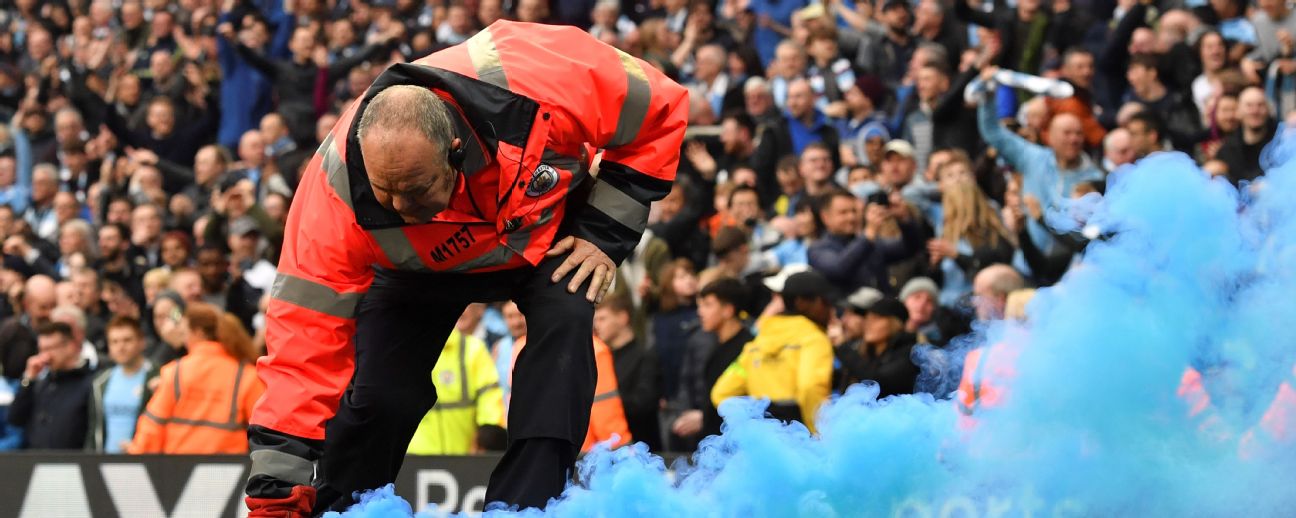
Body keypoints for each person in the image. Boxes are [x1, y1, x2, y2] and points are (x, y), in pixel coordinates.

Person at [244, 21, 687, 516]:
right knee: (382, 393)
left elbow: (662, 108)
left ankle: (523, 509)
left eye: (415, 190)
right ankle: (342, 509)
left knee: (565, 329)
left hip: (545, 237)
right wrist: (275, 488)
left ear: (455, 152)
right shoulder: (332, 195)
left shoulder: (541, 71)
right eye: (385, 193)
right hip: (416, 270)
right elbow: (302, 345)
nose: (400, 207)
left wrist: (602, 233)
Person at [128, 303, 264, 454]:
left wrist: (135, 457)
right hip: (229, 466)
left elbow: (152, 427)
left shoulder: (175, 372)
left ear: (198, 333)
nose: (184, 340)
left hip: (179, 465)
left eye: (185, 333)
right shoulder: (247, 375)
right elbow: (264, 432)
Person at [712, 270, 835, 433]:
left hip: (762, 439)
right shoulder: (814, 339)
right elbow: (810, 387)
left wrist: (750, 425)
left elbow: (721, 393)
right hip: (800, 438)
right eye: (825, 302)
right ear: (802, 303)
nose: (830, 310)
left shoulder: (759, 341)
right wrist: (819, 435)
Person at [672, 277, 754, 449]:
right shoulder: (717, 346)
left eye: (708, 305)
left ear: (728, 310)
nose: (700, 312)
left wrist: (704, 417)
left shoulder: (747, 349)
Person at [406, 323, 505, 456]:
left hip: (465, 456)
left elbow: (489, 400)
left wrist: (485, 440)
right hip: (414, 457)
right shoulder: (405, 351)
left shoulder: (473, 350)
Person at [7, 322, 94, 449]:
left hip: (73, 459)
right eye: (41, 349)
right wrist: (28, 379)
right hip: (35, 458)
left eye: (50, 348)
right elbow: (15, 419)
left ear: (70, 346)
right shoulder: (40, 383)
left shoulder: (91, 382)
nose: (45, 356)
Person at [593, 294, 662, 453]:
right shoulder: (601, 357)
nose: (596, 325)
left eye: (602, 319)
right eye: (595, 320)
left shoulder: (645, 356)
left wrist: (607, 404)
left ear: (623, 318)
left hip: (640, 448)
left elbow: (644, 402)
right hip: (607, 447)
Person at [87, 316, 159, 452]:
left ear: (142, 342)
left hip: (143, 459)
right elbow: (94, 429)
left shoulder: (158, 377)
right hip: (104, 461)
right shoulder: (101, 382)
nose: (121, 347)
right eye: (114, 342)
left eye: (127, 340)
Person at [834, 296, 919, 398]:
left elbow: (878, 382)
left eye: (876, 319)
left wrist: (842, 346)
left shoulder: (909, 353)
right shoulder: (870, 353)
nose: (869, 324)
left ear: (895, 324)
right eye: (868, 319)